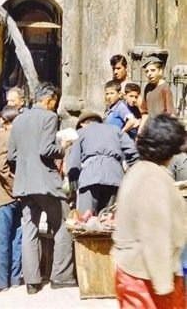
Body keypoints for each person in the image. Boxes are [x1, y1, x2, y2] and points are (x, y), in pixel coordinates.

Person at [7, 82, 75, 294]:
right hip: (46, 183)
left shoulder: (18, 120)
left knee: (29, 229)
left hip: (25, 184)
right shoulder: (49, 117)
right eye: (54, 101)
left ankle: (32, 282)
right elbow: (47, 149)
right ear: (49, 99)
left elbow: (12, 156)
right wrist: (63, 148)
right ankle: (60, 276)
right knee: (62, 225)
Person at [112, 114, 187, 308]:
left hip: (132, 271)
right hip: (147, 277)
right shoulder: (154, 179)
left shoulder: (137, 171)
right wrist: (164, 285)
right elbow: (156, 235)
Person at [67, 111, 138, 215]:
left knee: (85, 220)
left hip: (90, 177)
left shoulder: (80, 132)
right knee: (107, 220)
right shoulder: (115, 130)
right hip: (115, 176)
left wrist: (73, 186)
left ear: (82, 124)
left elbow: (74, 161)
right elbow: (132, 151)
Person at [0, 106, 22, 293]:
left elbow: (1, 167)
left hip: (5, 195)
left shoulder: (4, 137)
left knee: (0, 239)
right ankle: (15, 277)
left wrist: (12, 187)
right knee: (16, 237)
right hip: (20, 194)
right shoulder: (22, 138)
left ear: (5, 121)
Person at [140, 56, 175, 132]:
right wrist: (140, 131)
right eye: (147, 71)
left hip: (162, 129)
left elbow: (170, 114)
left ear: (160, 71)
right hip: (150, 128)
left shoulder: (165, 88)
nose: (149, 74)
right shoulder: (148, 88)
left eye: (153, 70)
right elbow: (145, 113)